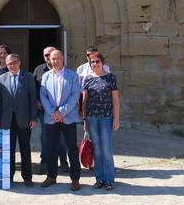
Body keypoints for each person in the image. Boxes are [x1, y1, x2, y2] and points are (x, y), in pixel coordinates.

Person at [0, 54, 38, 188]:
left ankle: (27, 177)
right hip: (6, 120)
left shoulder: (28, 77)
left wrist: (33, 118)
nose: (12, 65)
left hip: (24, 120)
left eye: (14, 62)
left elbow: (33, 98)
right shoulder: (1, 78)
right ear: (6, 65)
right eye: (9, 64)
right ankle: (9, 176)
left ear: (19, 63)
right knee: (8, 150)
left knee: (25, 149)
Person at [39, 49, 82, 191]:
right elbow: (43, 95)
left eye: (58, 58)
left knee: (72, 148)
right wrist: (53, 112)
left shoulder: (72, 75)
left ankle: (75, 179)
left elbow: (75, 95)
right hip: (51, 117)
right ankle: (51, 176)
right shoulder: (46, 76)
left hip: (68, 117)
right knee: (51, 147)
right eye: (53, 59)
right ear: (49, 60)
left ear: (62, 58)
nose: (56, 61)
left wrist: (62, 112)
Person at [81, 51, 120, 191]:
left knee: (106, 149)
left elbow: (116, 100)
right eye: (92, 62)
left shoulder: (110, 77)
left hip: (106, 118)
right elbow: (84, 102)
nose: (95, 64)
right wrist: (85, 120)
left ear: (102, 62)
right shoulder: (87, 79)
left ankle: (109, 180)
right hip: (92, 119)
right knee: (97, 150)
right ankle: (99, 179)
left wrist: (116, 118)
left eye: (97, 61)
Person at [33, 46, 69, 174]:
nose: (48, 57)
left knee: (62, 136)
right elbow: (33, 88)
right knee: (46, 136)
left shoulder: (65, 71)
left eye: (50, 54)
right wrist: (36, 101)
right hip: (45, 110)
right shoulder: (38, 70)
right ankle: (45, 162)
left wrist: (62, 110)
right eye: (46, 55)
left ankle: (63, 162)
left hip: (62, 111)